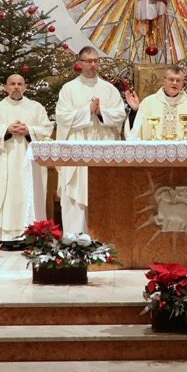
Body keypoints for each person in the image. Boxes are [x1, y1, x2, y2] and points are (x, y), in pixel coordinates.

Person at [54, 47, 127, 233]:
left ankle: (103, 236)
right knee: (75, 192)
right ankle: (75, 238)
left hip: (103, 148)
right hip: (77, 150)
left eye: (96, 61)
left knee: (103, 192)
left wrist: (101, 112)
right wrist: (87, 111)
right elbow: (62, 117)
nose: (93, 64)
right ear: (80, 63)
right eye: (88, 61)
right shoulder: (69, 89)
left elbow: (120, 115)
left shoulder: (109, 89)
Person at [0, 73, 53, 245]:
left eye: (20, 84)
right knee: (7, 196)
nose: (16, 87)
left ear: (25, 88)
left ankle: (31, 233)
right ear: (6, 88)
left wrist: (29, 131)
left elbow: (47, 129)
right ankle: (6, 236)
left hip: (30, 162)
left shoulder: (36, 107)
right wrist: (6, 129)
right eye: (12, 84)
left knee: (28, 194)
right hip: (4, 161)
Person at [125, 65, 187, 141]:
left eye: (178, 80)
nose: (174, 83)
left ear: (183, 83)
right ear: (163, 81)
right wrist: (135, 111)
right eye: (171, 79)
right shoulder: (148, 103)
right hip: (154, 150)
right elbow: (134, 133)